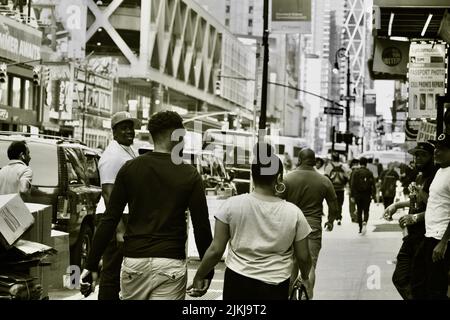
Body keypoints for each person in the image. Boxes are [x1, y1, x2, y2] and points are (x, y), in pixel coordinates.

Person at [81, 111, 214, 300]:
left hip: (134, 262)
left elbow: (110, 219)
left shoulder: (130, 168)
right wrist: (205, 272)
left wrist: (91, 264)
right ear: (175, 137)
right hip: (170, 263)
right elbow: (201, 227)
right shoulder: (189, 174)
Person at [187, 143, 312, 300]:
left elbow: (216, 250)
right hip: (276, 285)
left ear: (253, 175)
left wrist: (200, 275)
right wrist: (306, 278)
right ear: (279, 178)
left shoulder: (232, 205)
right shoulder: (294, 213)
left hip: (237, 281)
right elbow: (304, 256)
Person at [95, 111, 140, 300]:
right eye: (124, 128)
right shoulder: (112, 156)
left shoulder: (127, 149)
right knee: (112, 269)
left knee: (121, 269)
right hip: (116, 218)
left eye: (131, 127)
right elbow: (108, 194)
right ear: (114, 132)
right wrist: (119, 228)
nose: (129, 131)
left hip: (124, 215)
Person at [283, 148, 339, 299]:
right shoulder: (324, 180)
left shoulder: (287, 179)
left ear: (299, 160)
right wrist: (331, 221)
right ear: (314, 161)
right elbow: (334, 205)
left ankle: (288, 295)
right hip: (312, 227)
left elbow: (276, 202)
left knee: (292, 262)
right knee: (310, 265)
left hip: (290, 225)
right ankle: (307, 294)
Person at [384, 142, 437, 300]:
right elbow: (417, 202)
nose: (418, 158)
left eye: (423, 155)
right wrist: (397, 205)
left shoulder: (435, 177)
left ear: (432, 157)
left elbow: (438, 208)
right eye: (416, 155)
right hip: (412, 236)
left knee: (417, 281)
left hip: (426, 236)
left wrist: (415, 217)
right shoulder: (420, 176)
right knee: (400, 278)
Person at [410, 133, 450, 299]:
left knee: (436, 288)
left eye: (442, 149)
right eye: (436, 148)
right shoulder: (440, 171)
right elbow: (433, 203)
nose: (436, 152)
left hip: (440, 238)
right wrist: (419, 193)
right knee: (418, 282)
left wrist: (443, 242)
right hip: (429, 235)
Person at [350, 157, 376, 235]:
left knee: (359, 210)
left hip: (358, 195)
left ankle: (360, 228)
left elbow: (353, 185)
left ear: (359, 163)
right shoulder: (369, 173)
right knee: (366, 210)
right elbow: (373, 185)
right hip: (367, 195)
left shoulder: (356, 172)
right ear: (366, 163)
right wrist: (373, 195)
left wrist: (352, 195)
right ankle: (365, 221)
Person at [324, 152, 349, 225]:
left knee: (331, 203)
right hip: (341, 189)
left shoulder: (329, 166)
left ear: (332, 158)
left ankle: (330, 218)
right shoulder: (342, 166)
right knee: (339, 204)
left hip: (331, 188)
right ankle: (339, 218)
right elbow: (346, 177)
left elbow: (326, 177)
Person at [348, 159, 360, 223]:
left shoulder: (351, 172)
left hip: (353, 190)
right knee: (359, 204)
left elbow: (351, 183)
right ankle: (357, 216)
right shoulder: (360, 170)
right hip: (360, 191)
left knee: (352, 205)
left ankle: (354, 217)